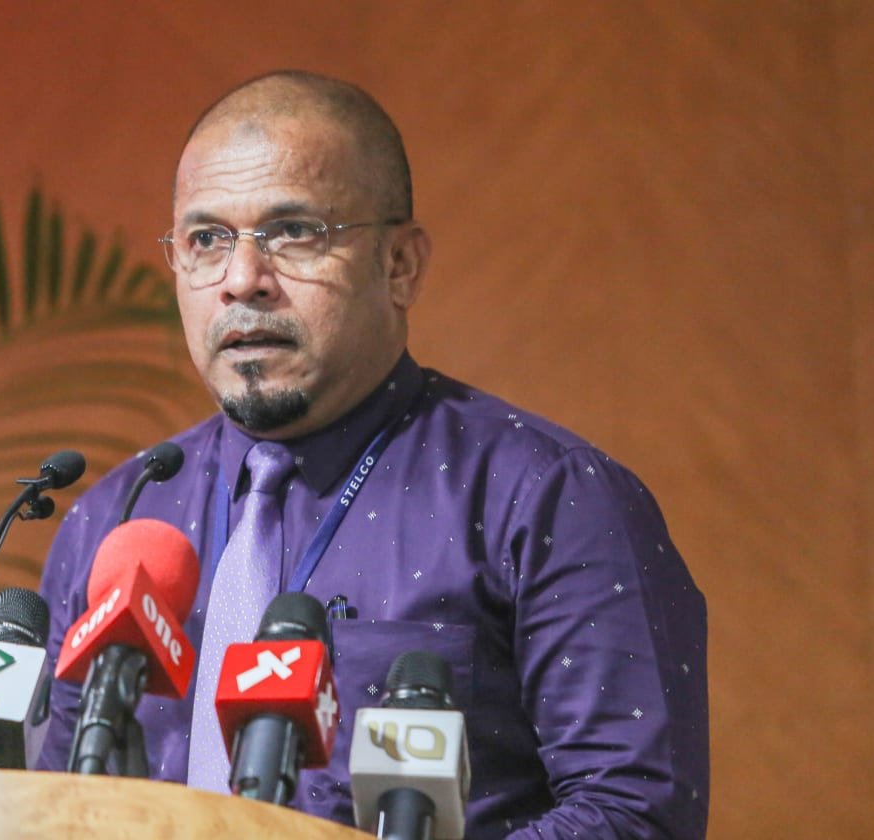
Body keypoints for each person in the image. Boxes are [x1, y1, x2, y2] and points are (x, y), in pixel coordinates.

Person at [37, 70, 708, 839]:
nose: (242, 281)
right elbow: (54, 809)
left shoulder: (546, 496)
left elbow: (632, 814)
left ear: (400, 266)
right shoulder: (115, 522)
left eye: (294, 232)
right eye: (206, 240)